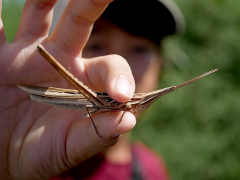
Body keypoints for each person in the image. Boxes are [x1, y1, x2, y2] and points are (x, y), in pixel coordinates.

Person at [0, 0, 184, 179]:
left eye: (140, 49)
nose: (122, 64)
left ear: (162, 65)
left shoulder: (151, 169)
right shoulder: (29, 155)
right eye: (97, 45)